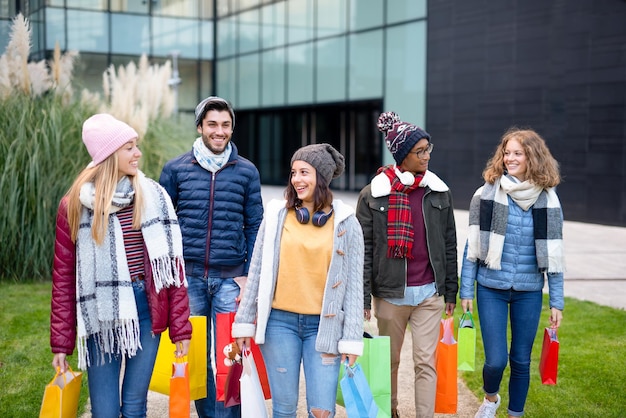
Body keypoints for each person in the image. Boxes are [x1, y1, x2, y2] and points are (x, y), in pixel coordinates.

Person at [50, 113, 192, 418]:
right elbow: (63, 279)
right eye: (129, 147)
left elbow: (171, 271)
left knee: (135, 407)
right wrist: (61, 343)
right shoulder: (74, 204)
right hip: (101, 316)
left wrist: (181, 330)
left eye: (136, 145)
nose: (137, 153)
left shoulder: (152, 195)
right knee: (104, 411)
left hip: (145, 310)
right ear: (109, 155)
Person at [232, 143, 364, 418]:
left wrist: (351, 338)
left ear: (322, 178)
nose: (297, 179)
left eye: (305, 172)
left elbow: (353, 286)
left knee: (322, 411)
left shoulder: (347, 222)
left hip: (323, 327)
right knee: (283, 409)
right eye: (294, 172)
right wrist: (243, 323)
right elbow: (256, 271)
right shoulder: (277, 215)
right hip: (280, 324)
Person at [159, 96, 263, 418]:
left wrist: (248, 275)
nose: (220, 131)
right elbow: (164, 226)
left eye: (226, 125)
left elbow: (255, 225)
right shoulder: (175, 169)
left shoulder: (246, 171)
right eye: (213, 124)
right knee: (199, 357)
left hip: (231, 279)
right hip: (189, 279)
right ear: (200, 126)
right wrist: (171, 274)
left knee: (230, 355)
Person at [356, 112, 458, 418]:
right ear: (402, 155)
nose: (426, 156)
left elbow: (449, 243)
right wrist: (363, 298)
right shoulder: (373, 195)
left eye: (429, 149)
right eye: (420, 151)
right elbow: (364, 251)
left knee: (426, 362)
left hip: (429, 294)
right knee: (389, 362)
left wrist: (450, 290)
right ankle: (391, 411)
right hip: (389, 295)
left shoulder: (438, 192)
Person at [460, 128, 565, 418]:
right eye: (507, 152)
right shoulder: (486, 194)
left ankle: (514, 413)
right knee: (495, 361)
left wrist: (557, 301)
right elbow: (473, 245)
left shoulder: (548, 200)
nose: (510, 158)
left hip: (529, 292)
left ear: (532, 156)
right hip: (491, 287)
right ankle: (490, 398)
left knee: (520, 360)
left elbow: (555, 255)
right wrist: (466, 289)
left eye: (517, 153)